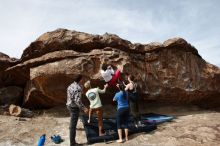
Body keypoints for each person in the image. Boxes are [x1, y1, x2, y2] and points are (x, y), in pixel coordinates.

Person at [66, 75, 89, 146]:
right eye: (82, 79)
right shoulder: (78, 88)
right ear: (81, 79)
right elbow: (77, 100)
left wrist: (83, 88)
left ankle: (71, 126)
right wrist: (84, 108)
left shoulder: (71, 85)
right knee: (73, 126)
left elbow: (74, 94)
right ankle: (72, 143)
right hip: (74, 107)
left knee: (72, 120)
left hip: (69, 105)